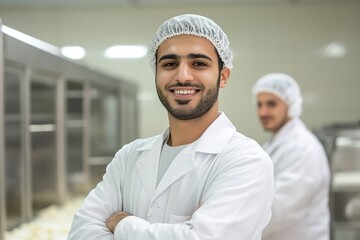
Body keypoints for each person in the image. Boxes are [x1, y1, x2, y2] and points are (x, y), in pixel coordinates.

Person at [67, 14, 274, 240]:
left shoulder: (245, 160)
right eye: (169, 64)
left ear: (223, 77)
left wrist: (122, 223)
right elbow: (80, 232)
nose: (183, 76)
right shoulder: (129, 157)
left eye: (199, 63)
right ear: (156, 73)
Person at [252, 73, 330, 240]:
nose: (263, 112)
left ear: (291, 105)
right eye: (259, 104)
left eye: (271, 104)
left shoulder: (304, 148)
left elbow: (281, 209)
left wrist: (237, 227)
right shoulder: (276, 143)